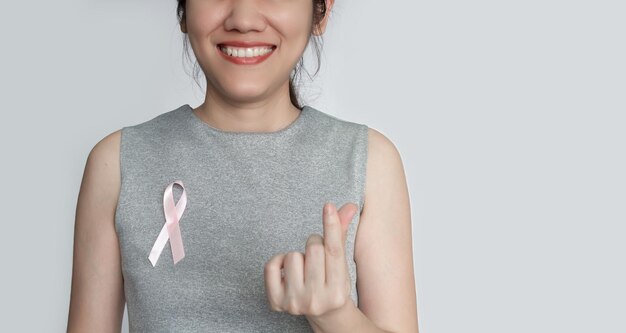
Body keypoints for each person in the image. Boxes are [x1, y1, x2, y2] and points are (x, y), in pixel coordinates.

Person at [66, 0, 419, 332]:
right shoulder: (117, 163)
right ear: (183, 11)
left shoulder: (368, 161)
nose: (244, 20)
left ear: (321, 11)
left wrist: (335, 317)